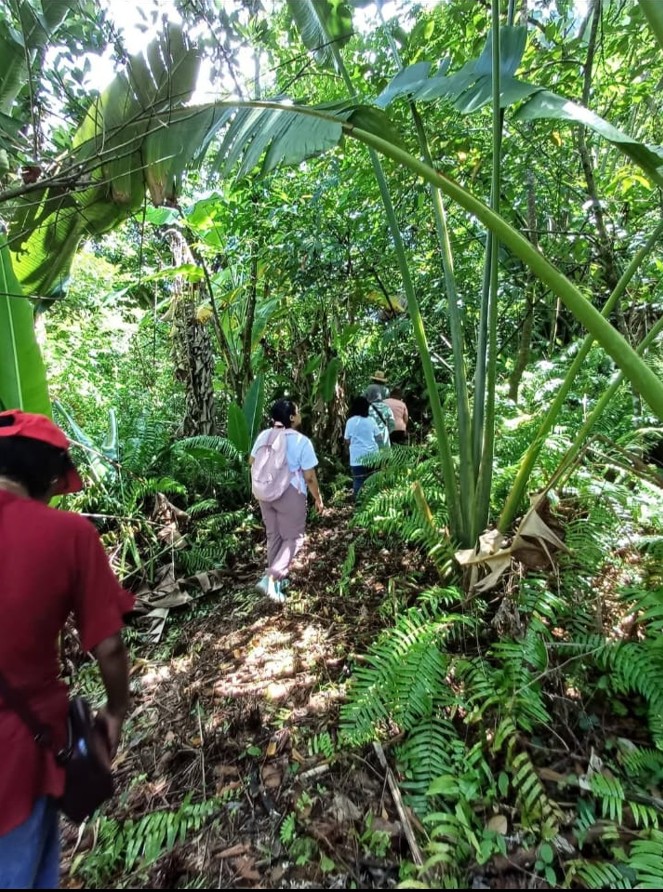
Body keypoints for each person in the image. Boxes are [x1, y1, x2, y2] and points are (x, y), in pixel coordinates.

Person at [0, 410, 132, 890]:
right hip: (18, 758)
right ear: (50, 476)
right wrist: (116, 710)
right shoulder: (68, 535)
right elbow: (109, 645)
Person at [249, 399, 323, 603]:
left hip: (265, 493)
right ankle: (271, 578)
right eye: (297, 412)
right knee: (295, 538)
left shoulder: (264, 435)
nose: (299, 415)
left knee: (274, 536)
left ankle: (276, 581)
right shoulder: (301, 441)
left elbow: (252, 461)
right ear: (291, 417)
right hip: (290, 493)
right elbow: (309, 477)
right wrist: (318, 498)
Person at [344, 396, 382, 498]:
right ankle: (374, 503)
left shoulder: (350, 421)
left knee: (358, 481)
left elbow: (347, 439)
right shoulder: (371, 420)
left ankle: (358, 504)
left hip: (356, 457)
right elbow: (379, 437)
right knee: (373, 480)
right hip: (373, 456)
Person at [365, 384, 396, 449]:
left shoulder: (367, 409)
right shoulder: (386, 408)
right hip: (384, 441)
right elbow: (392, 425)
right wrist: (386, 431)